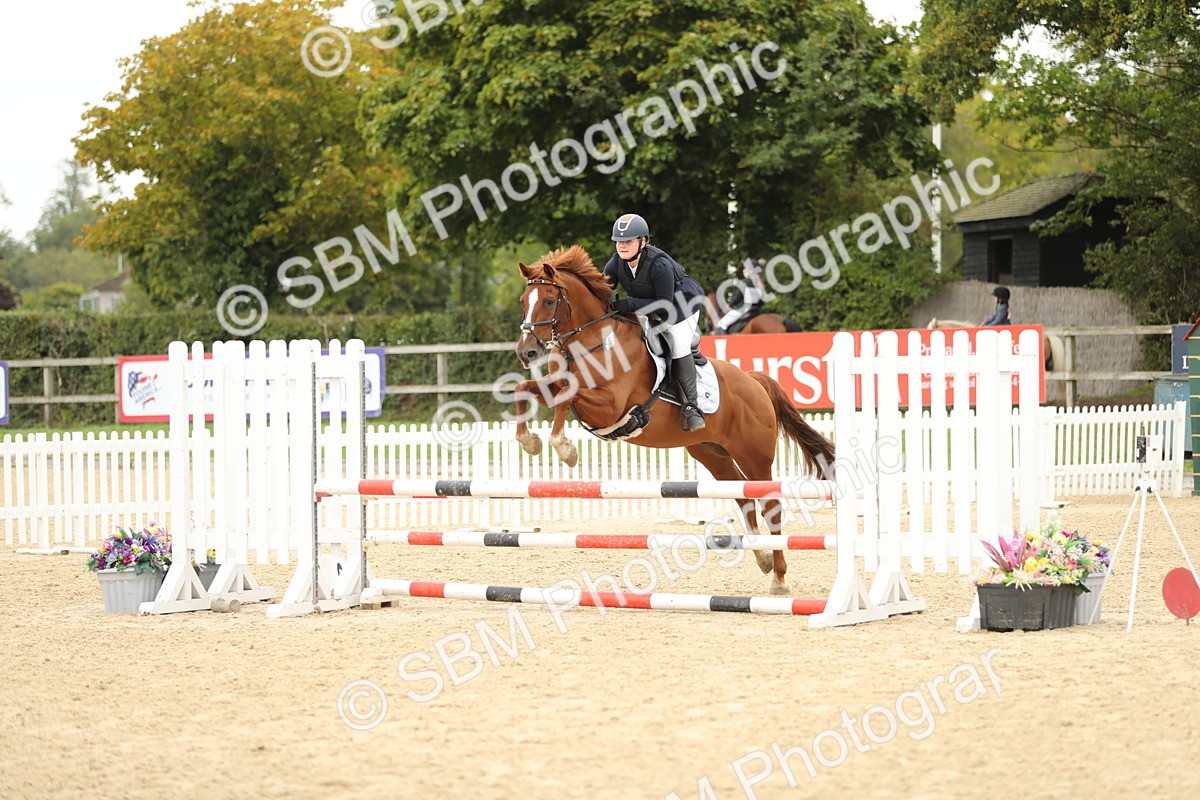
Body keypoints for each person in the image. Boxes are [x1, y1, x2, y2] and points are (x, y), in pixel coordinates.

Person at [603, 213, 708, 432]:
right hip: (652, 304)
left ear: (643, 241)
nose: (622, 246)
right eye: (619, 241)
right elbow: (602, 292)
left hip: (682, 306)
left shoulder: (659, 265)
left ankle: (692, 407)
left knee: (678, 345)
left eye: (628, 241)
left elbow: (663, 306)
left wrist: (629, 304)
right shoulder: (616, 263)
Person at [714, 258, 767, 334]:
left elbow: (738, 296)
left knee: (721, 324)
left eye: (746, 268)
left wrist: (730, 304)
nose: (744, 270)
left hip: (743, 309)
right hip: (756, 310)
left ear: (751, 271)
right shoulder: (760, 284)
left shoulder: (744, 282)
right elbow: (762, 300)